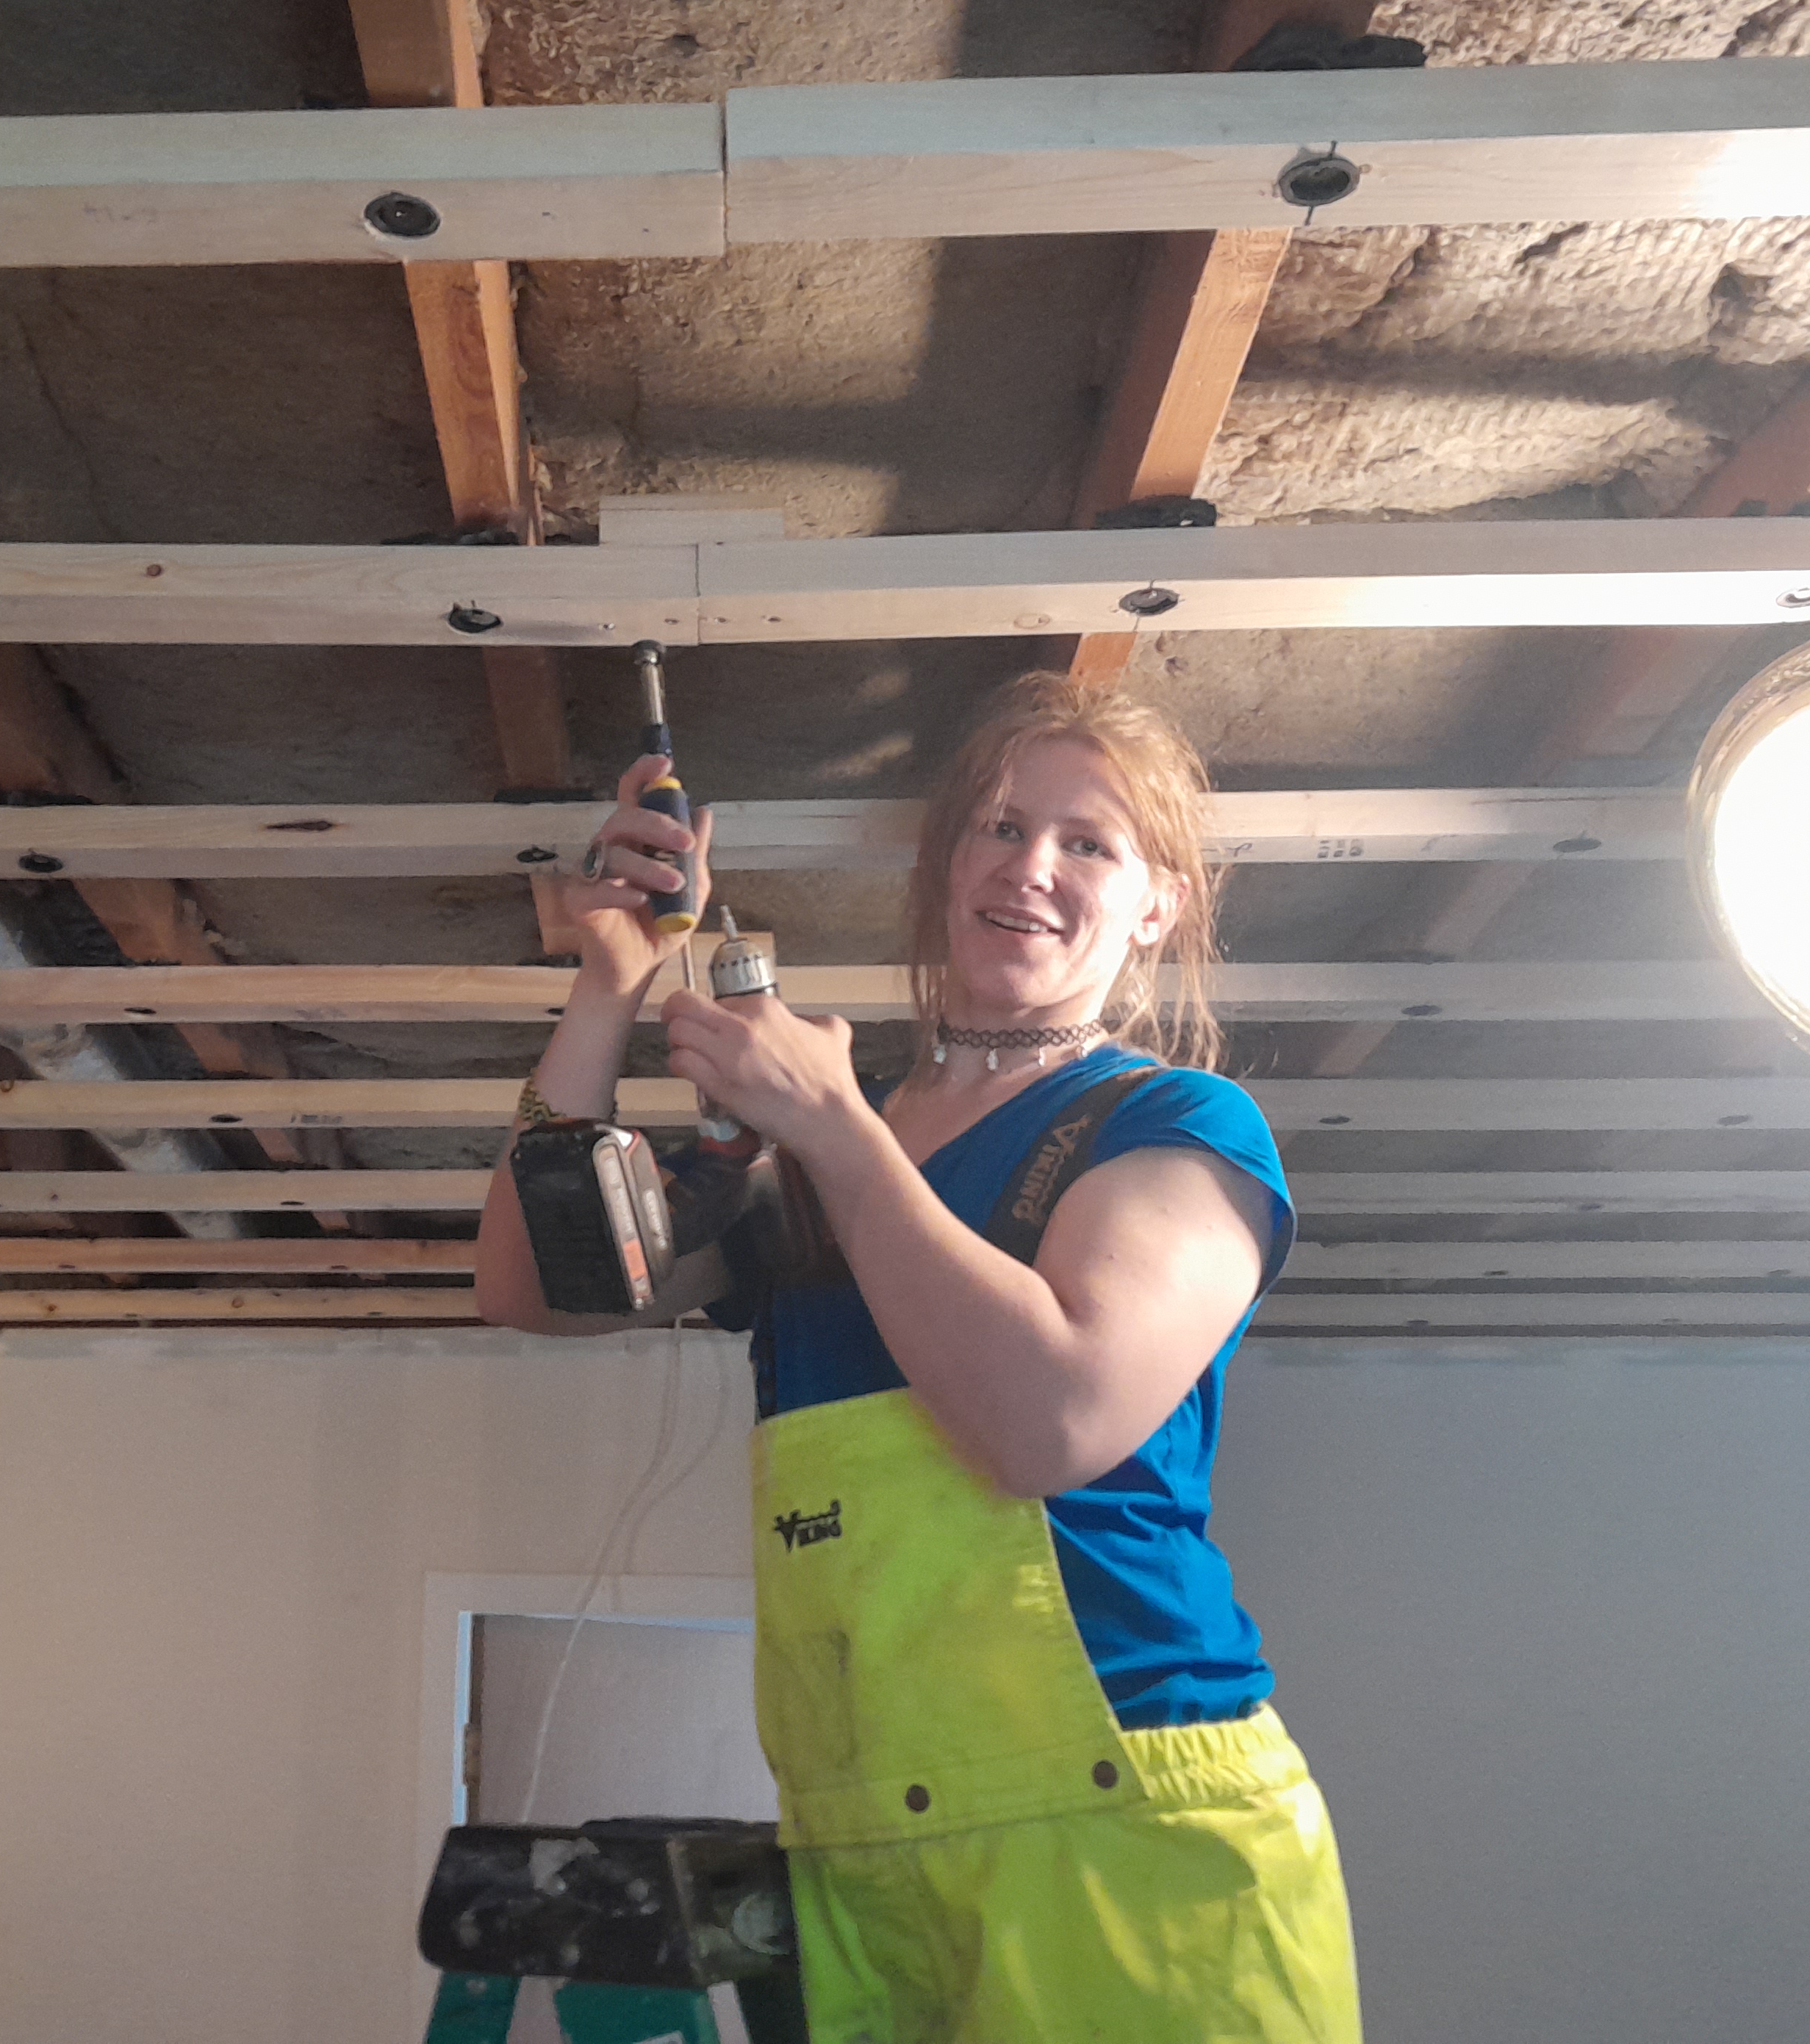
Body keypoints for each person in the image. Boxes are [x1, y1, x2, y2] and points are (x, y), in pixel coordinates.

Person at [473, 670, 1360, 2043]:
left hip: (1125, 1825)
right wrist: (606, 989)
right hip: (860, 1848)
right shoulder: (829, 1143)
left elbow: (1048, 1425)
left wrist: (837, 1132)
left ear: (1156, 904)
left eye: (1089, 844)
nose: (1032, 869)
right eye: (1000, 829)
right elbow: (534, 1284)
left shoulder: (1178, 1125)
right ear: (949, 864)